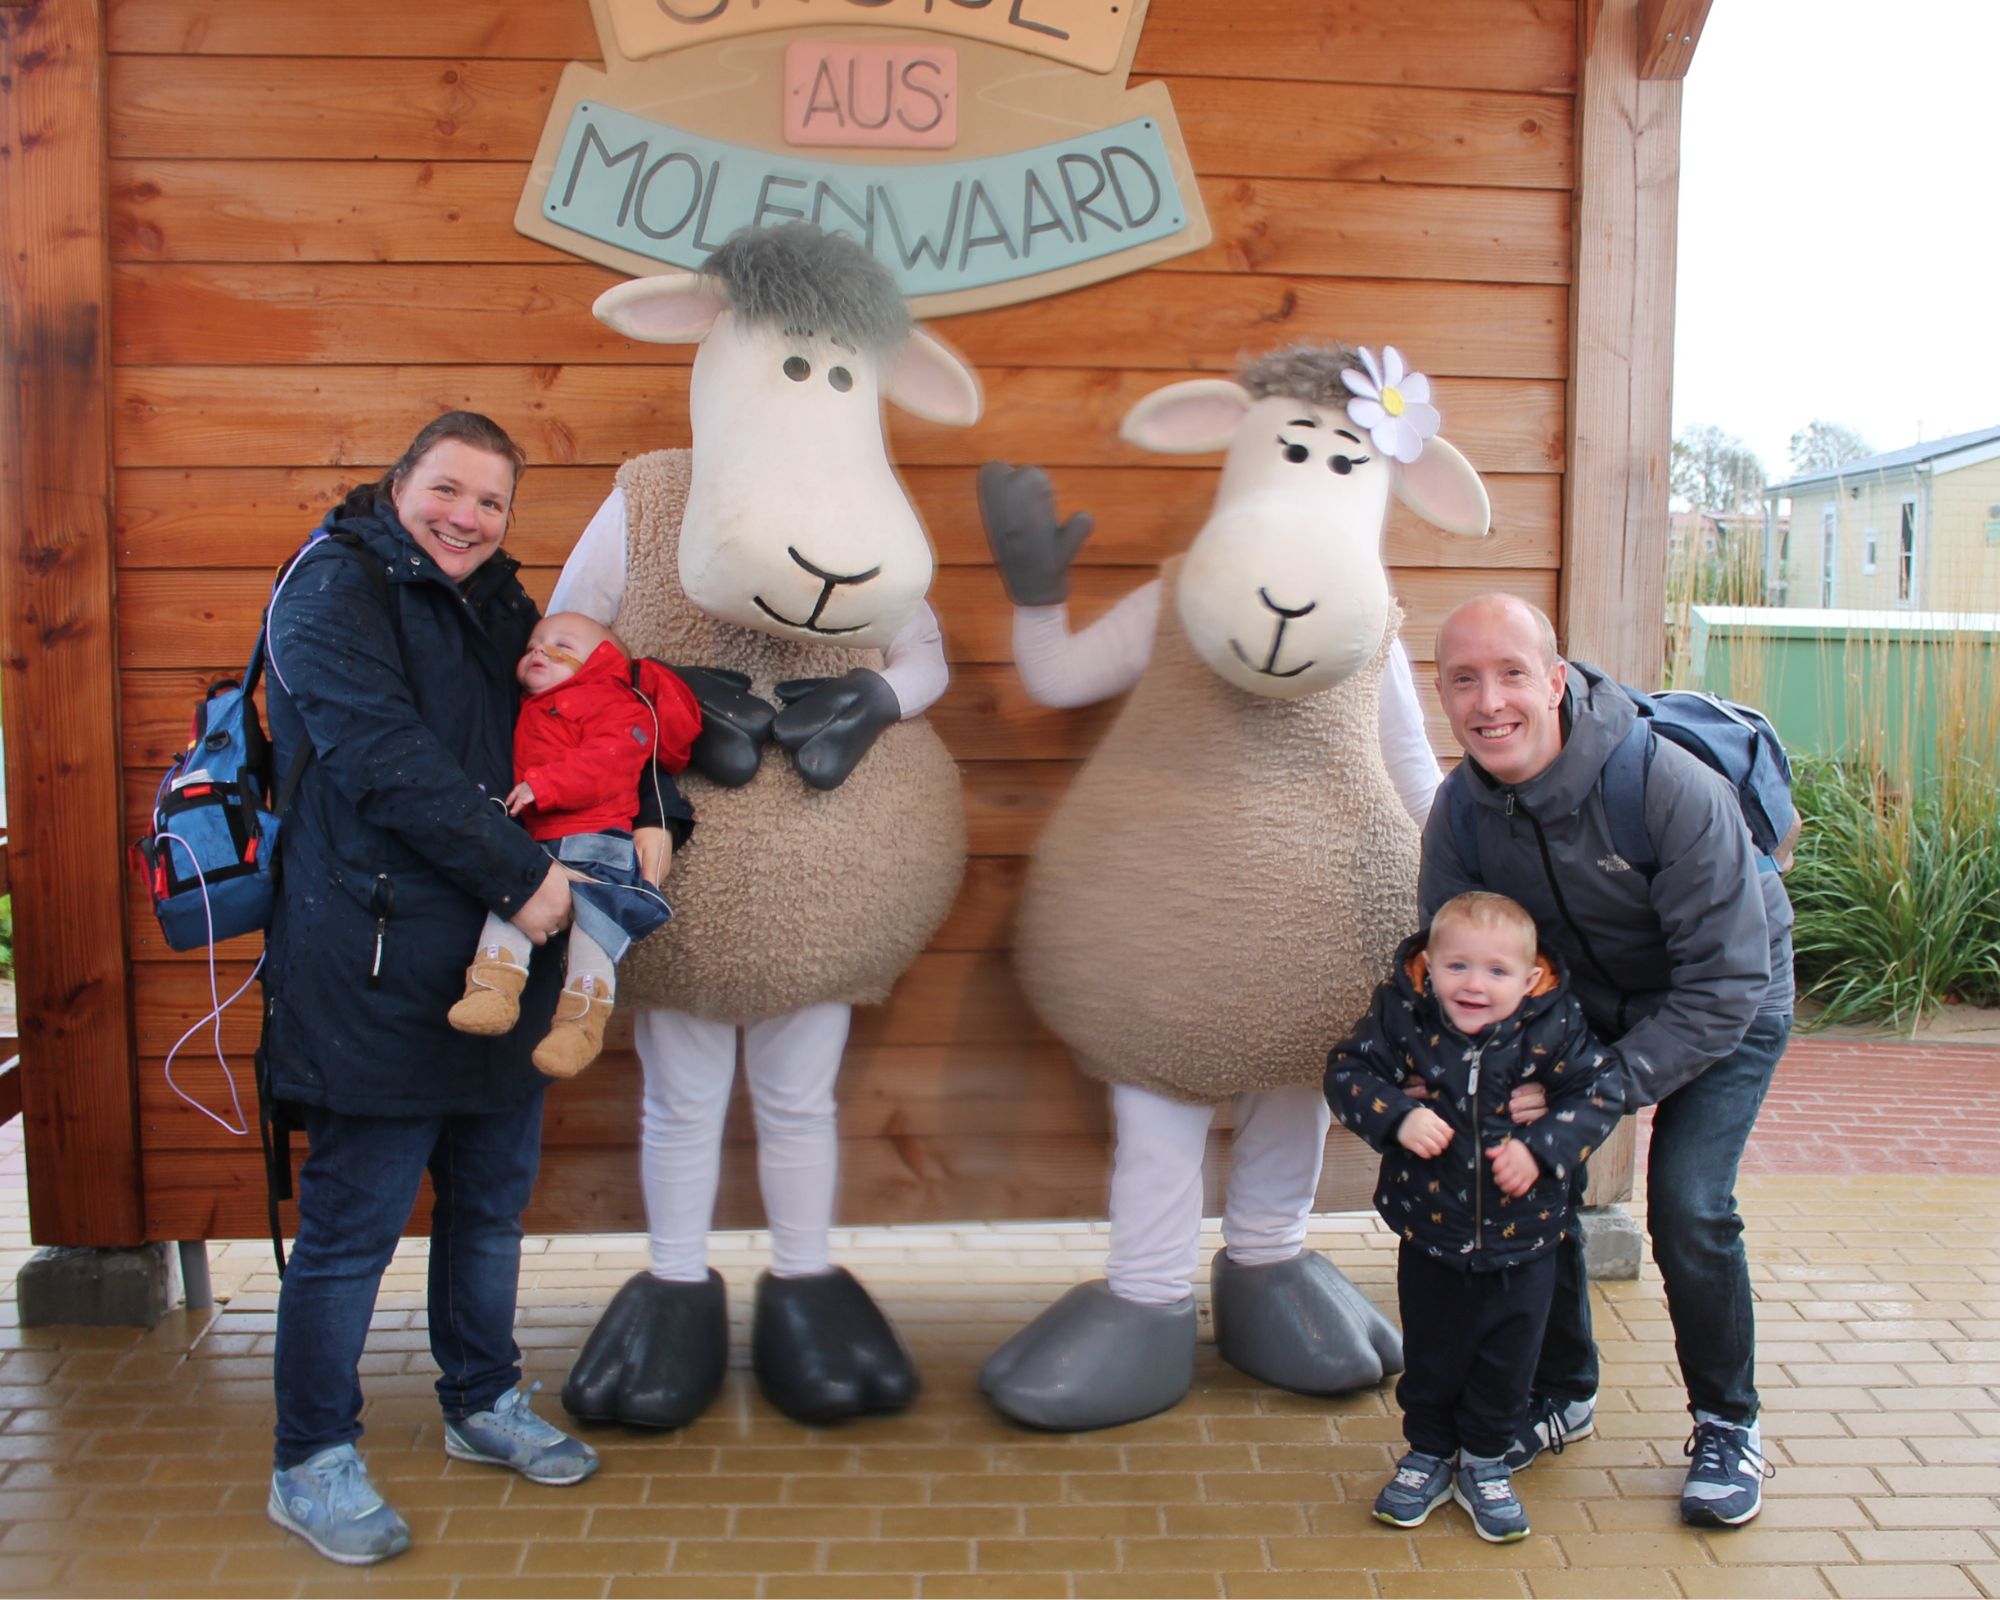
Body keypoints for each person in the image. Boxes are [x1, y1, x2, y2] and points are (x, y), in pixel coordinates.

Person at [260, 413, 681, 1566]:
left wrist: (652, 817)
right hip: (375, 960)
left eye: (490, 502)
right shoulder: (329, 590)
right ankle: (310, 1459)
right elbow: (381, 759)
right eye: (448, 490)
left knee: (489, 1207)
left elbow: (586, 713)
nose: (467, 517)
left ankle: (482, 1400)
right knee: (351, 1232)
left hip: (502, 951)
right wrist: (527, 878)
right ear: (400, 486)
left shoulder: (500, 601)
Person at [1419, 593, 1795, 1528]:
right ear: (1442, 694)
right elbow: (1443, 963)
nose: (1489, 700)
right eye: (1464, 679)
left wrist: (1600, 1092)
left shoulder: (1663, 785)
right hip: (1585, 1002)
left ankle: (1727, 1423)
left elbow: (1724, 982)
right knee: (1532, 1174)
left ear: (1554, 681)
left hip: (1729, 999)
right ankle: (1564, 1390)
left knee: (1690, 1207)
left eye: (1511, 673)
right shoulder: (1460, 812)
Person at [1326, 891, 1621, 1542]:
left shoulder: (1554, 1026)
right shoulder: (1403, 1017)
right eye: (1457, 966)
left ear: (1530, 977)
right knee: (1433, 1352)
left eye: (1496, 972)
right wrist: (1398, 1117)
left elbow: (1601, 1091)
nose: (1475, 985)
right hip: (1431, 1231)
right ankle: (1427, 1454)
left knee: (1506, 1358)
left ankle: (1486, 1462)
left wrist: (1541, 1150)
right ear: (1428, 965)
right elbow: (1348, 1073)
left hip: (1526, 1241)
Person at [448, 612, 701, 1079]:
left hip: (594, 842)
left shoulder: (614, 703)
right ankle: (491, 991)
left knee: (596, 934)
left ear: (600, 662)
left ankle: (580, 1025)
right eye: (532, 646)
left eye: (560, 645)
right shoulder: (534, 705)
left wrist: (543, 785)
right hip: (537, 843)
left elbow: (608, 761)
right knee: (508, 907)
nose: (538, 651)